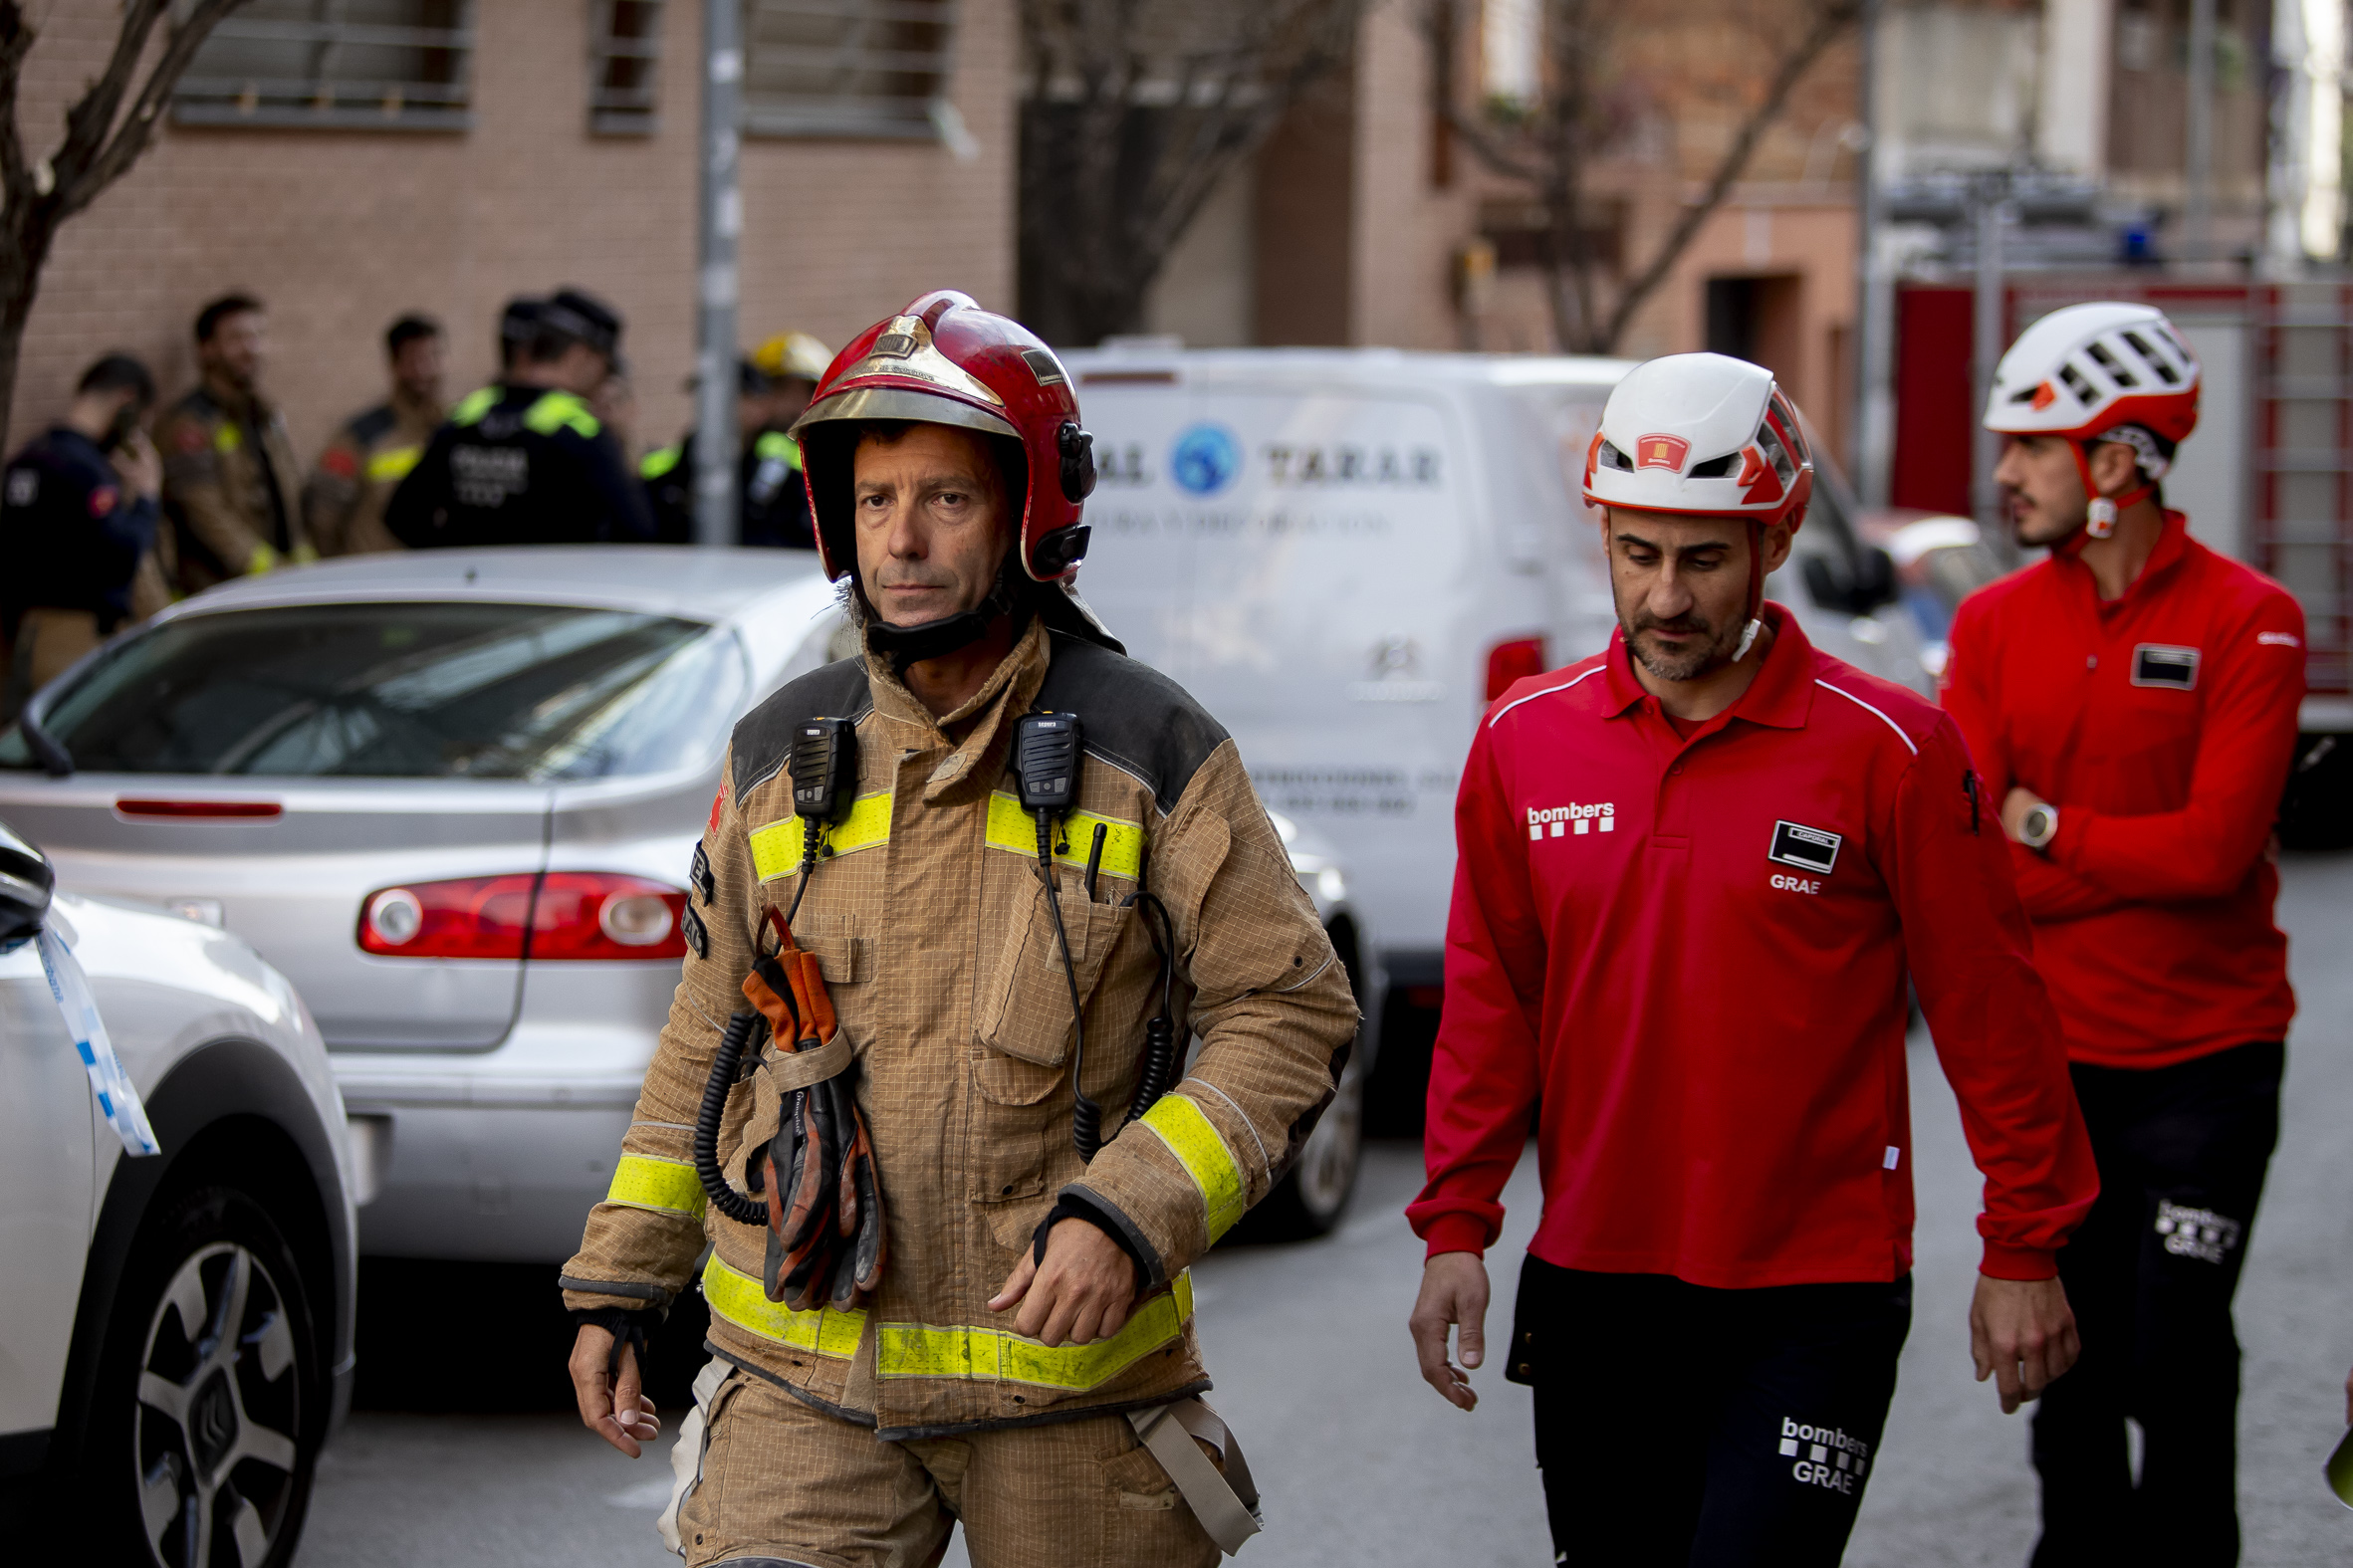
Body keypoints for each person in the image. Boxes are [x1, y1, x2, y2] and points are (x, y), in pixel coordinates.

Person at [559, 290, 1355, 1566]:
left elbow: (1289, 1011)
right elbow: (710, 1034)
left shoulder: (1150, 747)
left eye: (946, 499)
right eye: (875, 502)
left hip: (1069, 1395)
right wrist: (620, 1281)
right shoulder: (780, 756)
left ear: (1030, 515)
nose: (903, 541)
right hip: (802, 1384)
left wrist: (1129, 1212)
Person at [1406, 352, 2101, 1566]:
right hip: (1594, 1283)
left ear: (1774, 542)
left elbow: (1991, 1013)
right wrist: (1455, 1227)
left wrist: (2022, 1246)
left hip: (1812, 1292)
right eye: (1637, 553)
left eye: (1703, 557)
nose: (1664, 598)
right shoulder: (1521, 742)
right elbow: (1491, 1006)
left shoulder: (1893, 750)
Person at [1944, 302, 2305, 1566]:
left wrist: (2047, 833)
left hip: (2209, 1061)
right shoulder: (1987, 627)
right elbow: (1972, 862)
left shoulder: (2250, 620)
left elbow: (2215, 856)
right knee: (2070, 1351)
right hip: (2057, 1069)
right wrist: (2068, 845)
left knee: (2176, 1343)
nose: (2001, 477)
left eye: (2030, 449)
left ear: (2116, 463)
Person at [385, 287, 655, 548]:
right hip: (549, 590)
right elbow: (639, 531)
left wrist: (454, 560)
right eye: (605, 366)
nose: (602, 378)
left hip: (471, 589)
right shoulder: (581, 431)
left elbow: (401, 516)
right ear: (581, 355)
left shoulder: (465, 418)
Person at [0, 353, 162, 714]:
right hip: (76, 638)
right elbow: (123, 554)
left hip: (25, 636)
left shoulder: (27, 459)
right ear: (127, 400)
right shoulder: (86, 471)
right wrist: (147, 499)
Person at [153, 294, 309, 592]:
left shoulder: (265, 414)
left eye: (257, 336)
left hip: (278, 583)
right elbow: (202, 511)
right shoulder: (189, 425)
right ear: (207, 350)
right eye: (236, 338)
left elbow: (288, 488)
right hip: (220, 592)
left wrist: (301, 554)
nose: (251, 349)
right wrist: (264, 566)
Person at [640, 341, 826, 549]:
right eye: (704, 396)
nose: (711, 406)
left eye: (726, 398)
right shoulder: (675, 466)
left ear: (760, 408)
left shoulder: (781, 468)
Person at [304, 313, 447, 557]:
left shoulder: (454, 428)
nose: (425, 370)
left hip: (437, 578)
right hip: (378, 579)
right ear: (393, 364)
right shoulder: (360, 435)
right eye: (413, 359)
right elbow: (323, 517)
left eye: (433, 357)